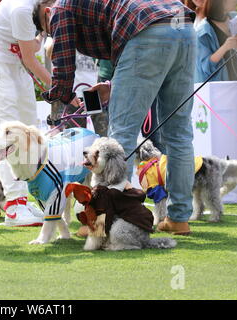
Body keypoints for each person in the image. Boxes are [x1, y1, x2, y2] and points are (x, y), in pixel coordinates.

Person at [35, 0, 197, 235]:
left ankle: (103, 220)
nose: (52, 32)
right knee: (179, 133)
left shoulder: (58, 9)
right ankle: (179, 218)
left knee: (121, 136)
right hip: (183, 25)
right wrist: (114, 84)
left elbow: (62, 62)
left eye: (47, 28)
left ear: (46, 13)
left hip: (146, 29)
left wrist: (60, 95)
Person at [0, 0, 50, 227]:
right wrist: (59, 90)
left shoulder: (34, 12)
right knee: (7, 133)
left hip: (14, 63)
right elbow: (30, 59)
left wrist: (44, 33)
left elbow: (32, 49)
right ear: (46, 8)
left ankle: (25, 199)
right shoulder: (21, 9)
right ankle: (14, 206)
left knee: (29, 129)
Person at [195, 0, 237, 159]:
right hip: (222, 91)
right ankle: (236, 174)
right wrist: (225, 47)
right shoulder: (203, 28)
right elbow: (204, 66)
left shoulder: (236, 18)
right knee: (231, 136)